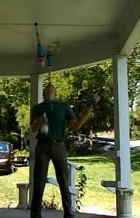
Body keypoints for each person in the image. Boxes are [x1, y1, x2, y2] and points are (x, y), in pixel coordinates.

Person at [30, 83, 97, 218]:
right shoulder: (37, 108)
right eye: (46, 90)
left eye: (51, 90)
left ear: (56, 93)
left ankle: (68, 213)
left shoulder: (63, 106)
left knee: (63, 180)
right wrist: (40, 120)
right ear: (43, 94)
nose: (49, 91)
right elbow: (33, 129)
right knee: (39, 181)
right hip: (42, 145)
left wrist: (88, 109)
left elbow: (75, 126)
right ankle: (35, 215)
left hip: (59, 145)